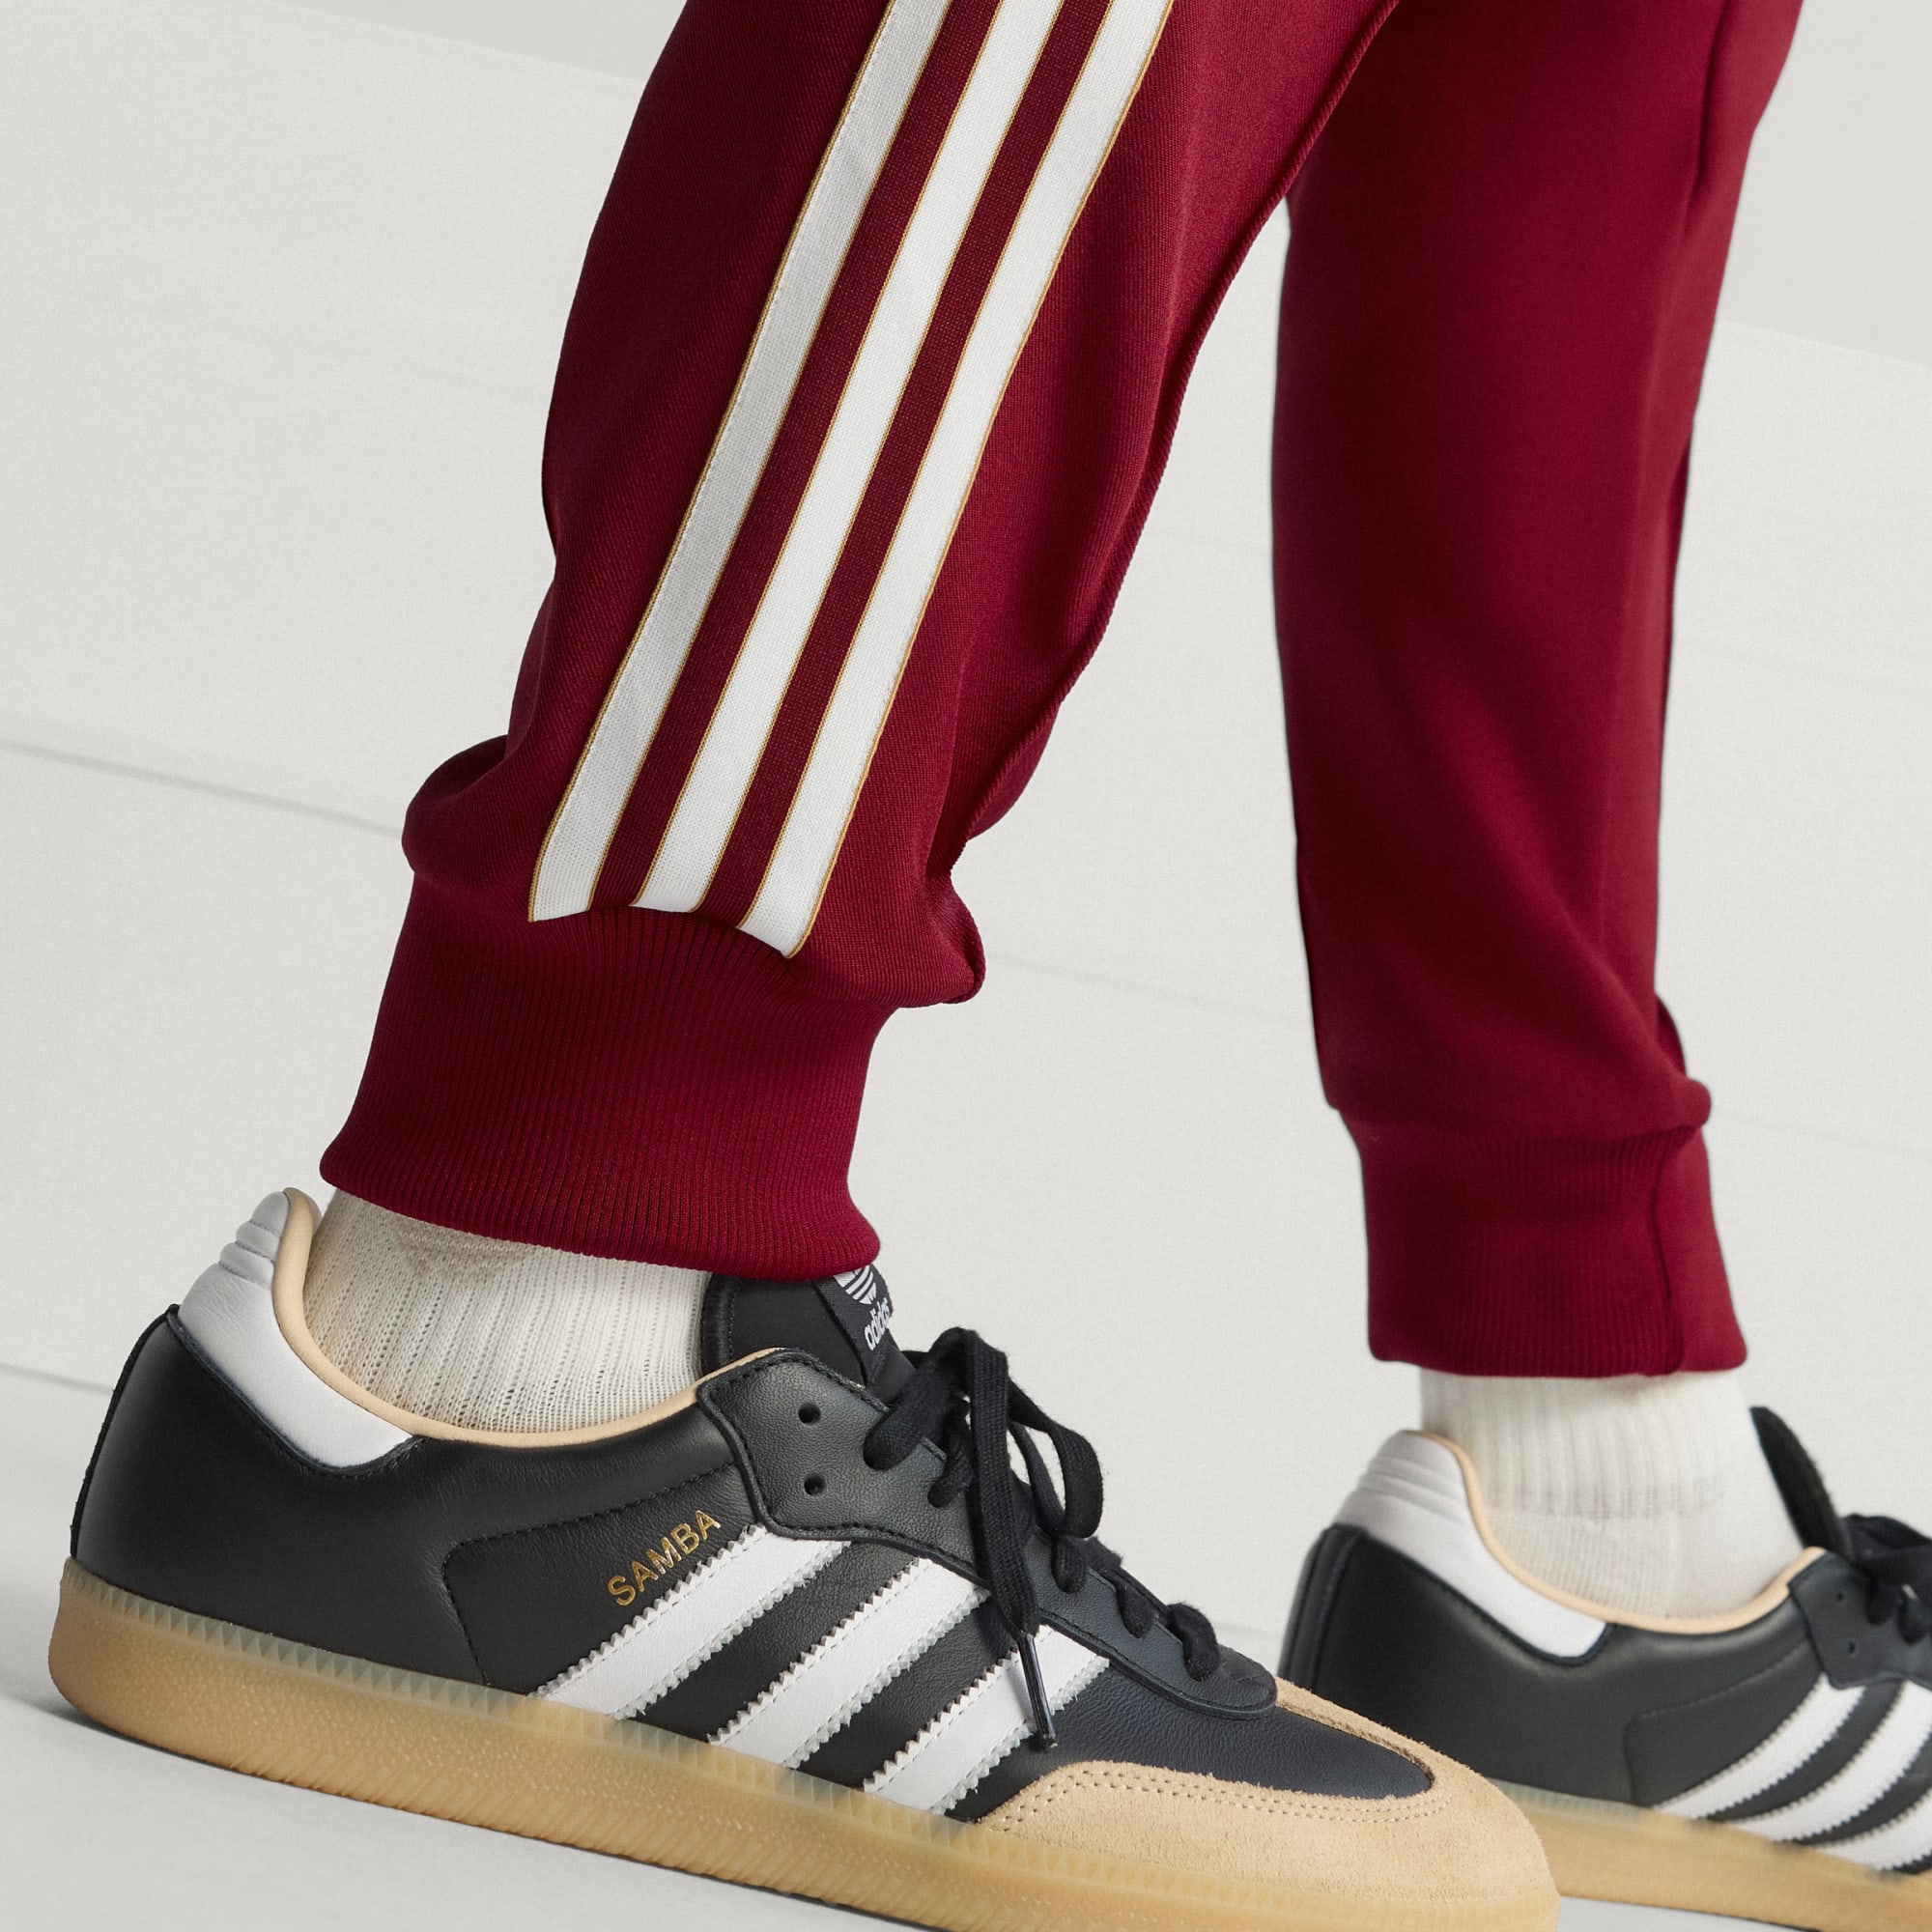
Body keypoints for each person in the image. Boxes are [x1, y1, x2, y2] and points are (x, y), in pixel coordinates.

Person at [52, 1, 1932, 1926]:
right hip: (537, 1327)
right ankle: (557, 1284)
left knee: (1607, 57)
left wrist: (1575, 1277)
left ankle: (1598, 1483)